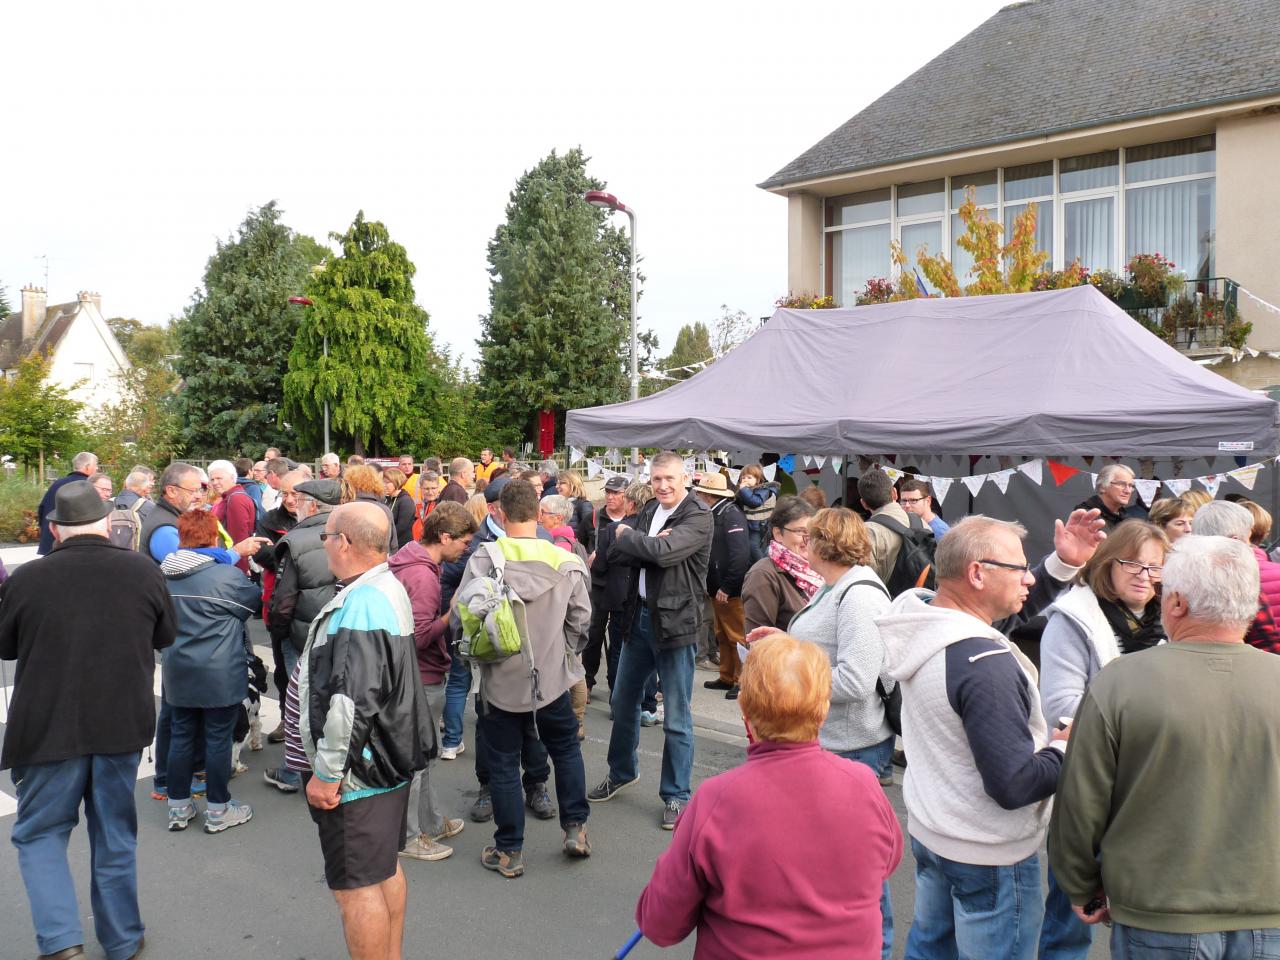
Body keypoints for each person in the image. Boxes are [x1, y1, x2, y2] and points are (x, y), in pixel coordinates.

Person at [877, 509, 1104, 960]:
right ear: (977, 573)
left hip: (935, 828)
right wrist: (1065, 744)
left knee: (929, 948)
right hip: (987, 853)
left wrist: (1062, 563)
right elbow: (1014, 784)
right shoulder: (984, 666)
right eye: (1021, 568)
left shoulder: (923, 617)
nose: (1030, 579)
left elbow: (990, 618)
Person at [1048, 535, 1280, 958]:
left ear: (1175, 604)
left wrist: (1079, 883)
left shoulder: (1120, 682)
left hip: (1159, 909)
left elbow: (1080, 803)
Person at [636, 633, 902, 959]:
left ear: (745, 708)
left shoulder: (715, 800)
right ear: (823, 708)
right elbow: (887, 862)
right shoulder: (864, 785)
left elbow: (660, 923)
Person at [2, 480, 176, 960]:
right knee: (114, 832)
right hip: (120, 721)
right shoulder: (142, 571)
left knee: (40, 833)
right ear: (106, 523)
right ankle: (121, 938)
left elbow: (6, 646)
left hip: (45, 726)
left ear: (55, 530)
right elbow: (166, 636)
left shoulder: (27, 580)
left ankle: (60, 943)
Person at [746, 506, 898, 956]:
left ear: (824, 544)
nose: (800, 544)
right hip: (833, 743)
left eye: (807, 537)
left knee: (857, 869)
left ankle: (876, 947)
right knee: (831, 862)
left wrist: (794, 678)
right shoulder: (834, 587)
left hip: (853, 746)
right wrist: (785, 643)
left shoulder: (860, 595)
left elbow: (855, 679)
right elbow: (825, 648)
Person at [300, 502, 434, 960]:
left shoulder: (363, 602)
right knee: (381, 870)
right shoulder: (385, 586)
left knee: (356, 889)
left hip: (359, 774)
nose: (324, 546)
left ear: (345, 543)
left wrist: (328, 772)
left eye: (326, 537)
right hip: (387, 760)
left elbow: (351, 701)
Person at [1037, 519, 1169, 959]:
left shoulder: (1168, 621)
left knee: (1143, 911)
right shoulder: (1074, 618)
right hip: (1092, 783)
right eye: (1132, 563)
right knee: (1074, 912)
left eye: (1155, 567)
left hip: (1149, 786)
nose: (1144, 575)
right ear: (1107, 564)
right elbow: (1064, 711)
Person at [455, 479, 593, 877]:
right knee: (565, 750)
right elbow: (581, 621)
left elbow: (466, 616)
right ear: (538, 514)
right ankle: (575, 831)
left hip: (499, 681)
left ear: (499, 514)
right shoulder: (565, 561)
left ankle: (510, 849)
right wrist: (562, 651)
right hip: (551, 679)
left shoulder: (484, 558)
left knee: (502, 765)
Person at [590, 451, 713, 830]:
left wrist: (635, 540)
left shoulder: (698, 515)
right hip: (637, 618)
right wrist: (642, 542)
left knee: (676, 716)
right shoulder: (647, 511)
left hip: (676, 624)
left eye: (669, 479)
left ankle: (676, 795)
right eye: (657, 478)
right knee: (621, 701)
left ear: (685, 478)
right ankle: (622, 771)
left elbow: (662, 553)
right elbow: (613, 553)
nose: (662, 485)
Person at [437, 476, 559, 822]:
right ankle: (487, 788)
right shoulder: (475, 544)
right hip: (492, 658)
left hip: (537, 658)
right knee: (489, 726)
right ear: (495, 510)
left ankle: (536, 785)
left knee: (535, 727)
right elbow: (456, 593)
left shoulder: (545, 538)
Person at [161, 510, 261, 834]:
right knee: (218, 738)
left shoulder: (163, 576)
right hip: (220, 669)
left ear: (181, 538)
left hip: (178, 668)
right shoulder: (226, 577)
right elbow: (252, 604)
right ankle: (218, 809)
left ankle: (178, 806)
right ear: (214, 538)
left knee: (181, 735)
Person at [388, 501, 476, 863]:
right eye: (464, 542)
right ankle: (411, 837)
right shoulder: (423, 577)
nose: (466, 548)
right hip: (420, 676)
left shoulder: (410, 560)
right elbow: (421, 635)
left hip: (413, 674)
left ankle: (431, 821)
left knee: (423, 757)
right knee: (417, 762)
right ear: (444, 537)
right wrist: (453, 610)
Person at [263, 478, 343, 784]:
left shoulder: (294, 541)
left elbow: (284, 600)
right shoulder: (352, 530)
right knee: (333, 699)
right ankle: (330, 767)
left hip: (301, 633)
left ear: (311, 505)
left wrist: (277, 630)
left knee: (301, 703)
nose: (293, 504)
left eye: (299, 498)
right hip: (338, 629)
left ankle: (296, 771)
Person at [695, 472, 751, 700]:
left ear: (709, 495)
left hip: (729, 590)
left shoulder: (731, 515)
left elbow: (740, 555)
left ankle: (742, 680)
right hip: (718, 587)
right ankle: (727, 676)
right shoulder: (719, 512)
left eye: (700, 492)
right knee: (723, 633)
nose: (697, 495)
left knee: (737, 635)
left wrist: (728, 586)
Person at [741, 496, 821, 639]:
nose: (807, 538)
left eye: (811, 532)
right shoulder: (763, 575)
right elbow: (758, 641)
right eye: (800, 531)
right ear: (778, 534)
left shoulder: (816, 569)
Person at [584, 475, 631, 695]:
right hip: (598, 584)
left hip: (623, 585)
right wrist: (587, 555)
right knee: (593, 634)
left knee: (619, 638)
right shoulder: (593, 517)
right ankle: (586, 681)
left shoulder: (634, 519)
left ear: (626, 495)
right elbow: (577, 543)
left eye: (616, 493)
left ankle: (616, 687)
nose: (610, 497)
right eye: (608, 492)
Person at [859, 467, 918, 586]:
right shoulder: (921, 522)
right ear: (895, 493)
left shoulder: (866, 532)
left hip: (887, 601)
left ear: (863, 504)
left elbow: (864, 579)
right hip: (922, 599)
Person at [36, 450, 98, 554]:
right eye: (95, 465)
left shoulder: (57, 483)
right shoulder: (87, 485)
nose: (97, 469)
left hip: (50, 540)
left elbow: (42, 509)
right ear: (88, 466)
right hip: (74, 544)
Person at [209, 459, 259, 574]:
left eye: (219, 478)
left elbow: (239, 538)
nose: (215, 482)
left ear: (232, 477)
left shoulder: (236, 499)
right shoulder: (230, 497)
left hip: (233, 566)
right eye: (212, 479)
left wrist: (239, 571)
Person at [734, 463, 779, 562]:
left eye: (749, 478)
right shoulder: (747, 491)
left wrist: (743, 490)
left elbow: (755, 502)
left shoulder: (765, 490)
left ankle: (762, 564)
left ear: (758, 480)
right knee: (751, 546)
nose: (745, 480)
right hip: (751, 525)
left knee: (753, 546)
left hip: (759, 525)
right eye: (743, 477)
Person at [1075, 463, 1140, 532]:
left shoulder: (1126, 519)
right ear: (1103, 487)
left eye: (1131, 486)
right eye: (1122, 484)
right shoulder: (1086, 515)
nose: (1128, 491)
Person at [556, 469, 595, 548]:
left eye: (561, 483)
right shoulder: (559, 504)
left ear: (573, 484)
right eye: (557, 483)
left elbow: (592, 534)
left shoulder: (584, 505)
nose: (557, 486)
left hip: (576, 553)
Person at [383, 467, 417, 549]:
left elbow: (401, 527)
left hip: (401, 546)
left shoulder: (406, 501)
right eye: (383, 482)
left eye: (387, 482)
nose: (383, 485)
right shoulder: (387, 499)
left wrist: (384, 539)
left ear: (396, 482)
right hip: (390, 544)